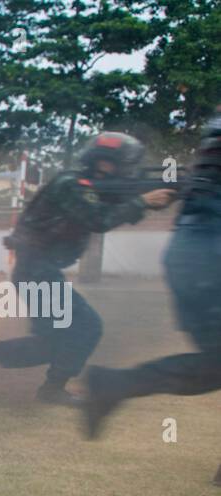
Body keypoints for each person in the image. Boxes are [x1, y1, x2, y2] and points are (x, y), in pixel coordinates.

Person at [0, 132, 178, 405]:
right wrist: (142, 201)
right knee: (86, 327)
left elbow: (111, 210)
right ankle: (51, 390)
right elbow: (98, 219)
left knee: (50, 343)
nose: (128, 171)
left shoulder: (88, 187)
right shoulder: (73, 185)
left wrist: (146, 201)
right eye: (124, 164)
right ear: (106, 163)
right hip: (36, 270)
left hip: (37, 269)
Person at [82, 110, 221, 454]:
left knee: (217, 364)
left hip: (188, 253)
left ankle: (113, 386)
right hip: (211, 255)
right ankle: (113, 385)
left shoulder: (212, 141)